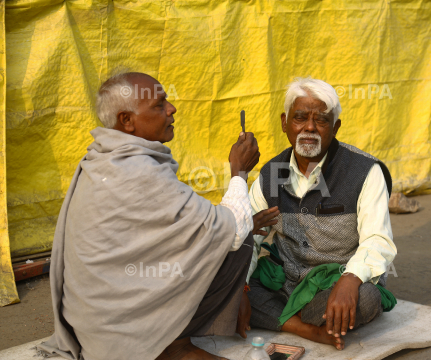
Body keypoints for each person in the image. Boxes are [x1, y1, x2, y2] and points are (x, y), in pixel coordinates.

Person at [37, 72, 278, 360]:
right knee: (237, 239)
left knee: (232, 234)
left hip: (95, 324)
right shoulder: (137, 171)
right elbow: (231, 231)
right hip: (119, 335)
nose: (171, 109)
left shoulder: (101, 158)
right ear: (127, 121)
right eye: (159, 104)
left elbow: (178, 231)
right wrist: (239, 171)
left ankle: (173, 340)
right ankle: (169, 345)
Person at [245, 77, 397, 350]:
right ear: (284, 123)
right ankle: (305, 327)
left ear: (336, 127)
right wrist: (240, 289)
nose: (310, 128)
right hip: (287, 282)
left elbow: (378, 240)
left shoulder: (365, 172)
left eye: (322, 120)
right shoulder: (270, 175)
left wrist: (350, 280)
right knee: (226, 285)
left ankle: (284, 317)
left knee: (367, 298)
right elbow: (249, 239)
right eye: (300, 118)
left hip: (336, 283)